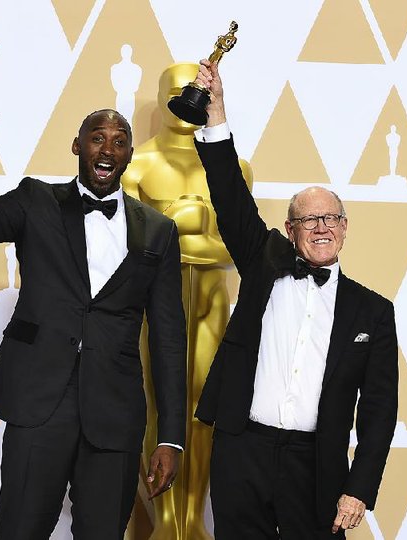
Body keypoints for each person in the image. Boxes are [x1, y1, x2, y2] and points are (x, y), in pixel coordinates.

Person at [0, 99, 187, 539]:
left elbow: (168, 339)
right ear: (77, 146)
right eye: (97, 139)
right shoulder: (37, 200)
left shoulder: (158, 230)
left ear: (129, 155)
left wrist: (171, 436)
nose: (107, 149)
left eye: (119, 142)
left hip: (114, 414)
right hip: (39, 402)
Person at [192, 60, 398, 539]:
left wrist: (360, 487)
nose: (322, 227)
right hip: (243, 450)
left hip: (317, 463)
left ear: (344, 228)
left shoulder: (374, 312)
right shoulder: (264, 261)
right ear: (290, 230)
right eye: (310, 220)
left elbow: (379, 411)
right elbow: (229, 192)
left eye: (331, 218)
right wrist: (216, 111)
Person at [121, 63, 253, 540]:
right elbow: (130, 253)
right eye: (176, 91)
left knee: (205, 409)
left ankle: (193, 520)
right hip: (154, 309)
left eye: (195, 90)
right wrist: (190, 230)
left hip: (212, 305)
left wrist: (172, 230)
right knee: (159, 406)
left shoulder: (234, 168)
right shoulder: (135, 166)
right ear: (159, 98)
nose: (186, 100)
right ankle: (165, 523)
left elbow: (237, 248)